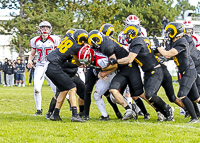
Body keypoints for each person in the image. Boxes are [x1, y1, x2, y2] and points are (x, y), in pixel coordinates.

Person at [154, 22, 200, 123]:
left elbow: (167, 54)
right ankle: (196, 115)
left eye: (169, 32)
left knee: (182, 95)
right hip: (185, 71)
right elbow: (164, 53)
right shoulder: (174, 41)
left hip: (189, 71)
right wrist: (154, 50)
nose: (167, 34)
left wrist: (158, 47)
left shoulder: (182, 41)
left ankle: (195, 118)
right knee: (196, 98)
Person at [45, 29, 88, 122]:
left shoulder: (67, 39)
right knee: (72, 88)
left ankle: (55, 114)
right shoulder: (76, 47)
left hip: (48, 65)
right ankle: (75, 115)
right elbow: (78, 62)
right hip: (54, 67)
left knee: (63, 90)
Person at [78, 45, 123, 121]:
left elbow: (115, 66)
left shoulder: (101, 60)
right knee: (96, 94)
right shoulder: (94, 56)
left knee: (113, 97)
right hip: (103, 73)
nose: (86, 63)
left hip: (111, 74)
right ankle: (105, 116)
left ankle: (128, 109)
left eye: (87, 61)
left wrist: (104, 72)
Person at [27, 21, 61, 115]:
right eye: (43, 28)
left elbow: (58, 52)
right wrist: (30, 60)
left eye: (47, 28)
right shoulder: (35, 40)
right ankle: (39, 110)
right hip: (40, 65)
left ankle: (57, 108)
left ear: (50, 29)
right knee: (37, 88)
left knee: (55, 89)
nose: (45, 29)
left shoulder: (55, 39)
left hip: (51, 65)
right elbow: (32, 53)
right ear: (40, 29)